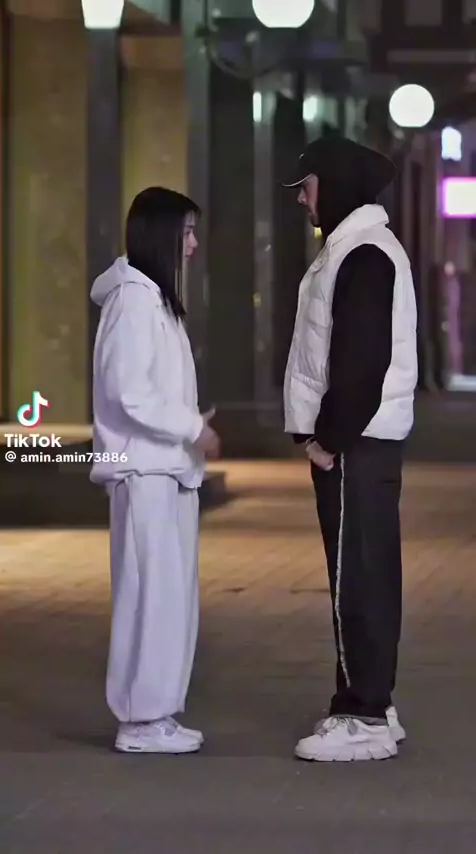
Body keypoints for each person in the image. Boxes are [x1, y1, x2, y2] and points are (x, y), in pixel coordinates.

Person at [283, 136, 418, 762]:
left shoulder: (363, 253)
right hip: (363, 444)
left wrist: (328, 439)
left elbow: (361, 359)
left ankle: (362, 715)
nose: (302, 199)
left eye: (306, 185)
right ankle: (374, 704)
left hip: (355, 446)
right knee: (367, 574)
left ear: (332, 183)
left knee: (356, 580)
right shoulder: (356, 248)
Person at [90, 187, 220, 754]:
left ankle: (156, 712)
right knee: (150, 595)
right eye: (186, 232)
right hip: (144, 470)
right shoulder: (133, 303)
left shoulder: (152, 301)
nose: (192, 245)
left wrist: (190, 429)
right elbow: (129, 392)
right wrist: (191, 428)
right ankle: (141, 719)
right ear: (161, 234)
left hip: (166, 469)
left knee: (168, 595)